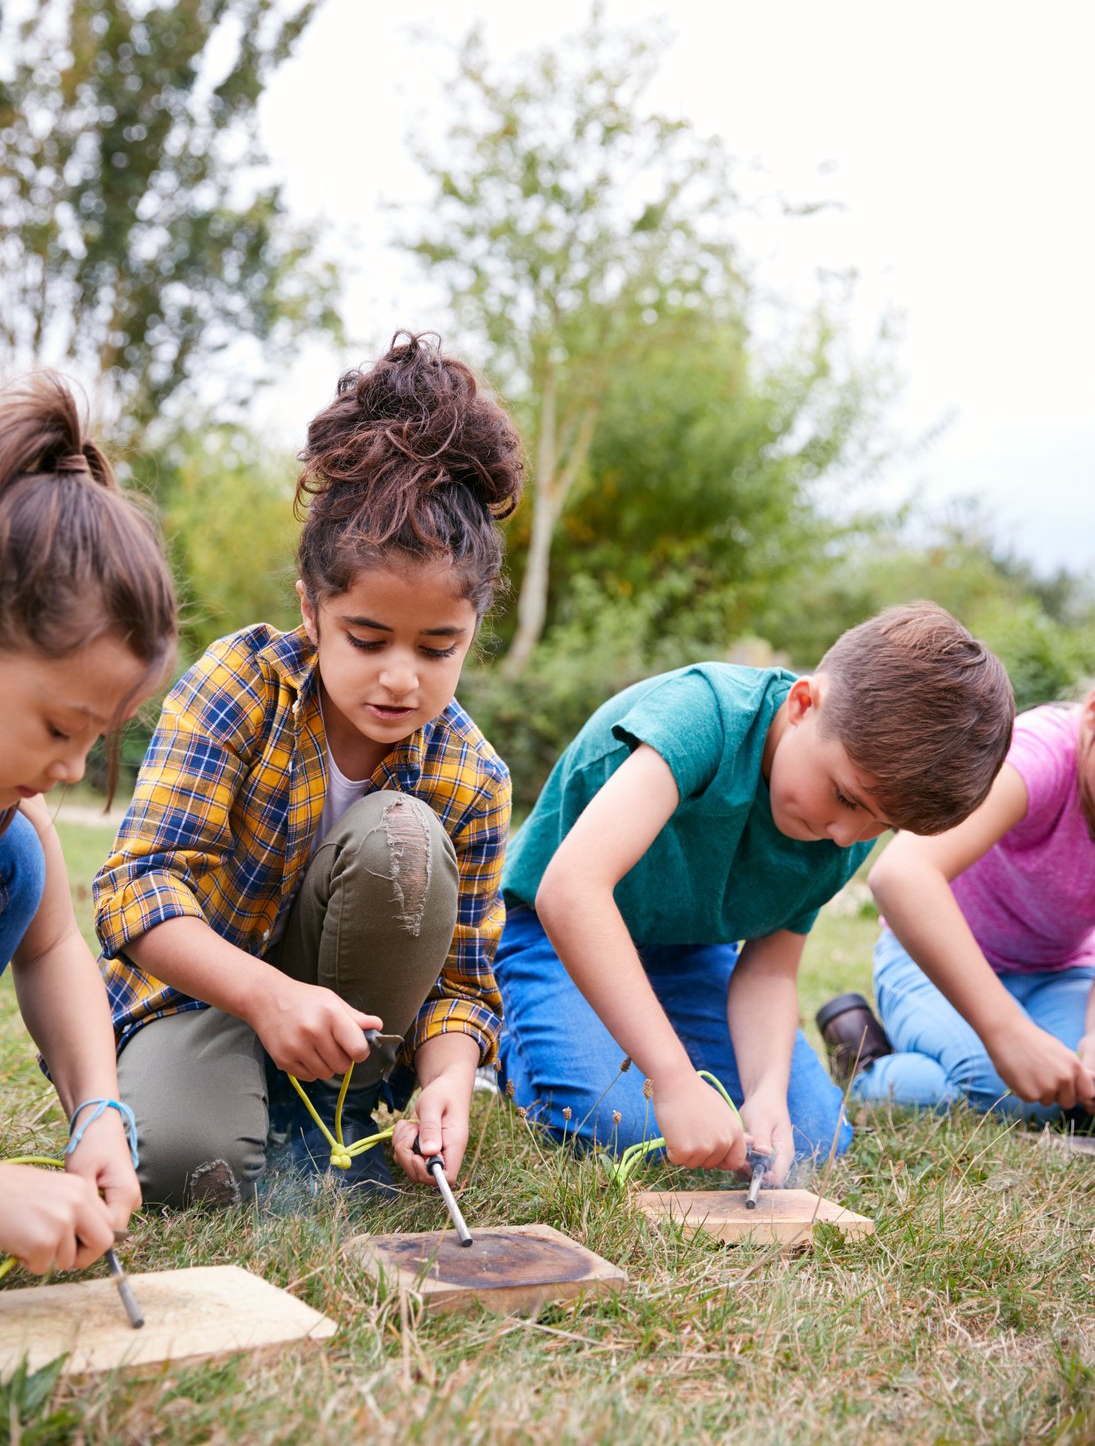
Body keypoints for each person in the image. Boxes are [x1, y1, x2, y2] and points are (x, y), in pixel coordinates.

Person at [94, 332, 524, 1207]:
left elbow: (463, 989)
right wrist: (265, 998)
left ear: (473, 630)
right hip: (205, 996)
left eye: (439, 648)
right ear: (312, 608)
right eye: (367, 638)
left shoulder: (472, 776)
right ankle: (236, 1099)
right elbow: (138, 889)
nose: (400, 677)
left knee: (402, 834)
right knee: (187, 1167)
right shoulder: (235, 688)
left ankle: (343, 1108)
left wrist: (448, 1079)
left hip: (353, 1040)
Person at [495, 602, 1016, 1191]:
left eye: (882, 826)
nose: (847, 838)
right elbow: (572, 892)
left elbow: (768, 972)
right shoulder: (706, 715)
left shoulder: (846, 819)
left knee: (812, 1136)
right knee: (627, 1126)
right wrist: (672, 1078)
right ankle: (505, 1038)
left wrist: (766, 1093)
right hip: (554, 934)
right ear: (801, 704)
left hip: (686, 950)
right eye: (846, 798)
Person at [0, 371, 177, 1275]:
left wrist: (96, 1106)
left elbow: (52, 947)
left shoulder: (12, 838)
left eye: (96, 739)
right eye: (59, 728)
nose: (69, 771)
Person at [818, 688, 1095, 1122]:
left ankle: (910, 1062)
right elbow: (901, 875)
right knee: (1013, 1092)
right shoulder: (1038, 754)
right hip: (932, 961)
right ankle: (865, 1063)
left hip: (1057, 974)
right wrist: (1009, 1033)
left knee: (1071, 1090)